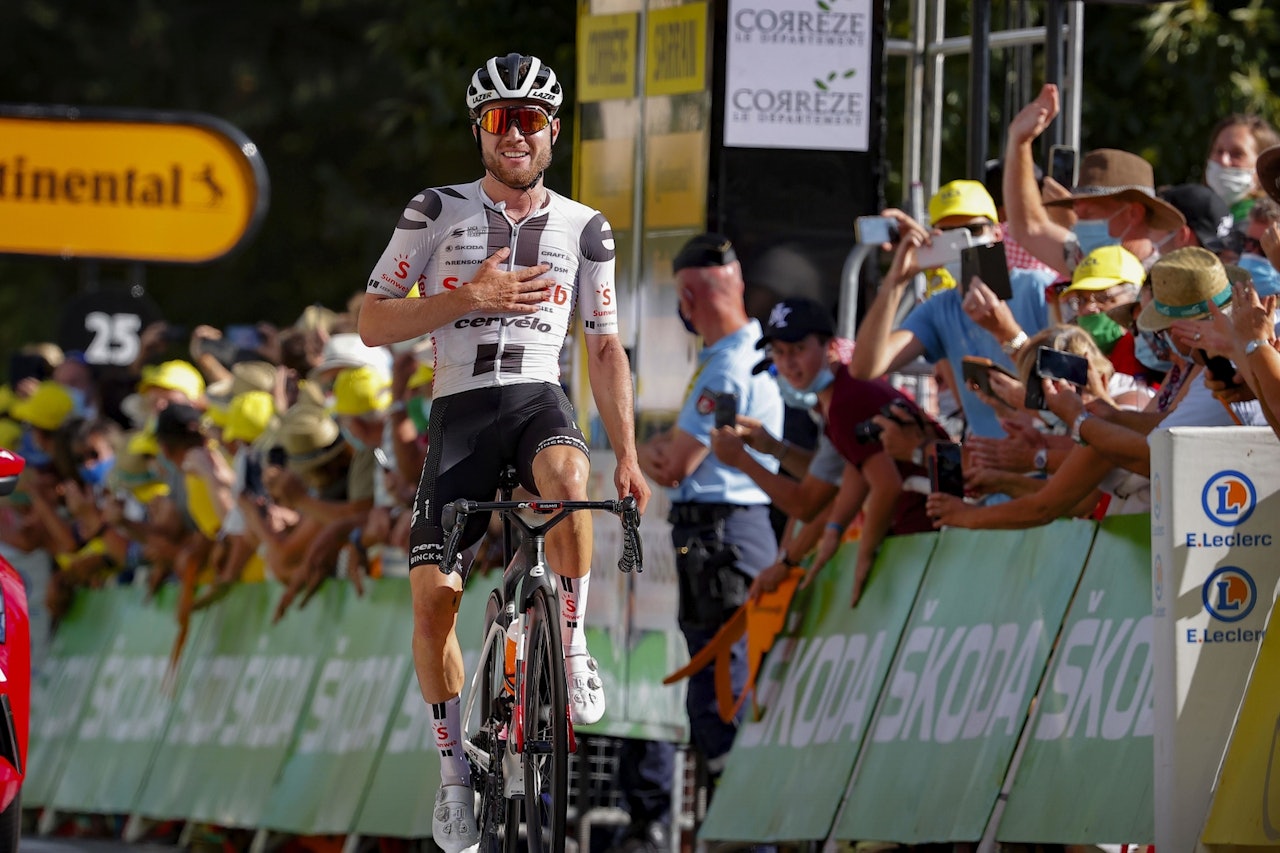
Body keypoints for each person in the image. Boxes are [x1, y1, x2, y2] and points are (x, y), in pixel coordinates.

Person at [356, 52, 650, 852]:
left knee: (571, 475)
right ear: (479, 131)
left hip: (535, 398)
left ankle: (574, 644)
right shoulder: (434, 210)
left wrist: (628, 454)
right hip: (459, 412)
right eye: (498, 119)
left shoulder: (585, 228)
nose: (515, 134)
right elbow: (372, 321)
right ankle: (455, 775)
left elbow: (605, 348)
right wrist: (466, 297)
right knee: (432, 603)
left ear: (553, 131)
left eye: (530, 119)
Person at [636, 233, 783, 809]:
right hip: (736, 532)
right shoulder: (748, 352)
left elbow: (673, 466)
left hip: (720, 537)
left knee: (721, 689)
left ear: (690, 298)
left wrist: (638, 451)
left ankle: (737, 820)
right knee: (723, 680)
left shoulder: (725, 366)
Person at [850, 179, 1053, 438]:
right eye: (948, 233)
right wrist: (897, 280)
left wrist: (1008, 333)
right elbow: (864, 367)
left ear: (997, 233)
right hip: (987, 458)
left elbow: (1075, 385)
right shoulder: (940, 307)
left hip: (1050, 453)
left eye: (973, 229)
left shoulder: (1038, 287)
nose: (963, 242)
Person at [1002, 84, 1187, 277]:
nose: (1077, 224)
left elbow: (1031, 228)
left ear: (1134, 213)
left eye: (1089, 214)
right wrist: (1019, 141)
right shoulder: (1083, 260)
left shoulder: (1164, 284)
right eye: (1077, 213)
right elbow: (1029, 227)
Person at [1203, 114, 1280, 224]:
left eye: (1237, 154)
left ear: (1265, 163)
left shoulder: (1269, 223)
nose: (1224, 161)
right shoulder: (1197, 216)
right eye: (1219, 151)